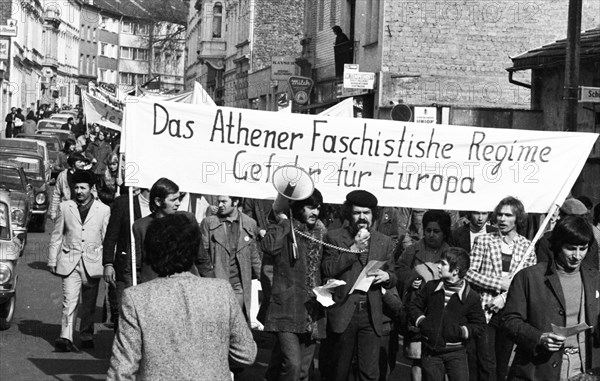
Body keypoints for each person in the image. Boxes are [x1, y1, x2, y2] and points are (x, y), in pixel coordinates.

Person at [107, 213, 257, 380]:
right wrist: (214, 355)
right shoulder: (221, 291)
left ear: (152, 251)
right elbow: (246, 353)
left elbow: (122, 368)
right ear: (193, 250)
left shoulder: (137, 298)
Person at [503, 216, 600, 380]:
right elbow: (509, 320)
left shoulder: (595, 278)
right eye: (570, 248)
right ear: (558, 245)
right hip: (540, 370)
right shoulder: (529, 277)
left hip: (583, 369)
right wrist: (539, 338)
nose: (577, 256)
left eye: (582, 248)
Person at [321, 190, 397, 381]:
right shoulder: (334, 237)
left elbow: (394, 275)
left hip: (371, 313)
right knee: (339, 371)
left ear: (373, 215)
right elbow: (328, 269)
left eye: (367, 213)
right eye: (357, 213)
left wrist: (386, 276)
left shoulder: (384, 241)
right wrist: (353, 249)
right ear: (349, 213)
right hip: (344, 311)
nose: (362, 217)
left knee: (369, 373)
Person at [466, 196, 536, 381]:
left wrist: (504, 297)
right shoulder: (484, 241)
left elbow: (527, 283)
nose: (502, 219)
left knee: (502, 366)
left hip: (510, 313)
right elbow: (469, 273)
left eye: (508, 215)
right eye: (499, 214)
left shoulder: (527, 247)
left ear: (518, 218)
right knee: (486, 364)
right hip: (485, 311)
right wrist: (499, 283)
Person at [261, 189, 327, 381]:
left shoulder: (321, 232)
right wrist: (282, 221)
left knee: (304, 370)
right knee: (292, 365)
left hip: (312, 309)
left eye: (318, 208)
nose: (315, 212)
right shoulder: (283, 226)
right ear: (298, 208)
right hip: (286, 308)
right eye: (310, 208)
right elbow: (270, 246)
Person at [47, 170, 110, 352]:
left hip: (93, 263)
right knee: (69, 301)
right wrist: (52, 259)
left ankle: (86, 334)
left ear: (91, 188)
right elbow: (57, 235)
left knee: (89, 305)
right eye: (76, 187)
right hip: (69, 261)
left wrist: (108, 263)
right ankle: (65, 337)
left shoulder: (103, 209)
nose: (79, 191)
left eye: (83, 187)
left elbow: (106, 238)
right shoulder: (65, 207)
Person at [408, 247, 486, 381]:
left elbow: (479, 325)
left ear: (455, 271)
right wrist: (423, 322)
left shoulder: (471, 297)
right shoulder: (431, 287)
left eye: (443, 264)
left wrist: (461, 332)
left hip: (457, 353)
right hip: (430, 352)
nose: (438, 266)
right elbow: (414, 306)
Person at [395, 209, 453, 381]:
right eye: (428, 230)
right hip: (418, 315)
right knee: (418, 360)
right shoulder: (413, 250)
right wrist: (412, 278)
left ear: (444, 233)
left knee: (439, 361)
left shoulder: (451, 253)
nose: (431, 235)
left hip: (442, 314)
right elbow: (398, 270)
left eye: (437, 231)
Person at [197, 195, 262, 322]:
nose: (220, 205)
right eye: (218, 201)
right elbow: (202, 255)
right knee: (217, 322)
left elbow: (254, 255)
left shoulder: (250, 223)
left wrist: (264, 279)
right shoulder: (209, 222)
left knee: (236, 322)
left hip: (238, 285)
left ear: (236, 202)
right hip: (216, 284)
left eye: (224, 202)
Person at [132, 177, 197, 283]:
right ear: (158, 201)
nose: (178, 203)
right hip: (154, 288)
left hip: (185, 284)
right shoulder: (141, 226)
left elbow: (201, 259)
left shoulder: (187, 220)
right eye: (173, 200)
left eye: (178, 198)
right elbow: (135, 265)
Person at [536, 198, 599, 269]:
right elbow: (541, 270)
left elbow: (592, 271)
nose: (577, 256)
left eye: (582, 249)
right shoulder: (547, 240)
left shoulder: (590, 241)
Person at [49, 152, 96, 222]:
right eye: (80, 162)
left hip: (84, 210)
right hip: (67, 210)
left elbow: (93, 192)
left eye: (83, 162)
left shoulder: (86, 175)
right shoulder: (63, 176)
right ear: (73, 163)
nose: (83, 164)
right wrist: (53, 213)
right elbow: (56, 194)